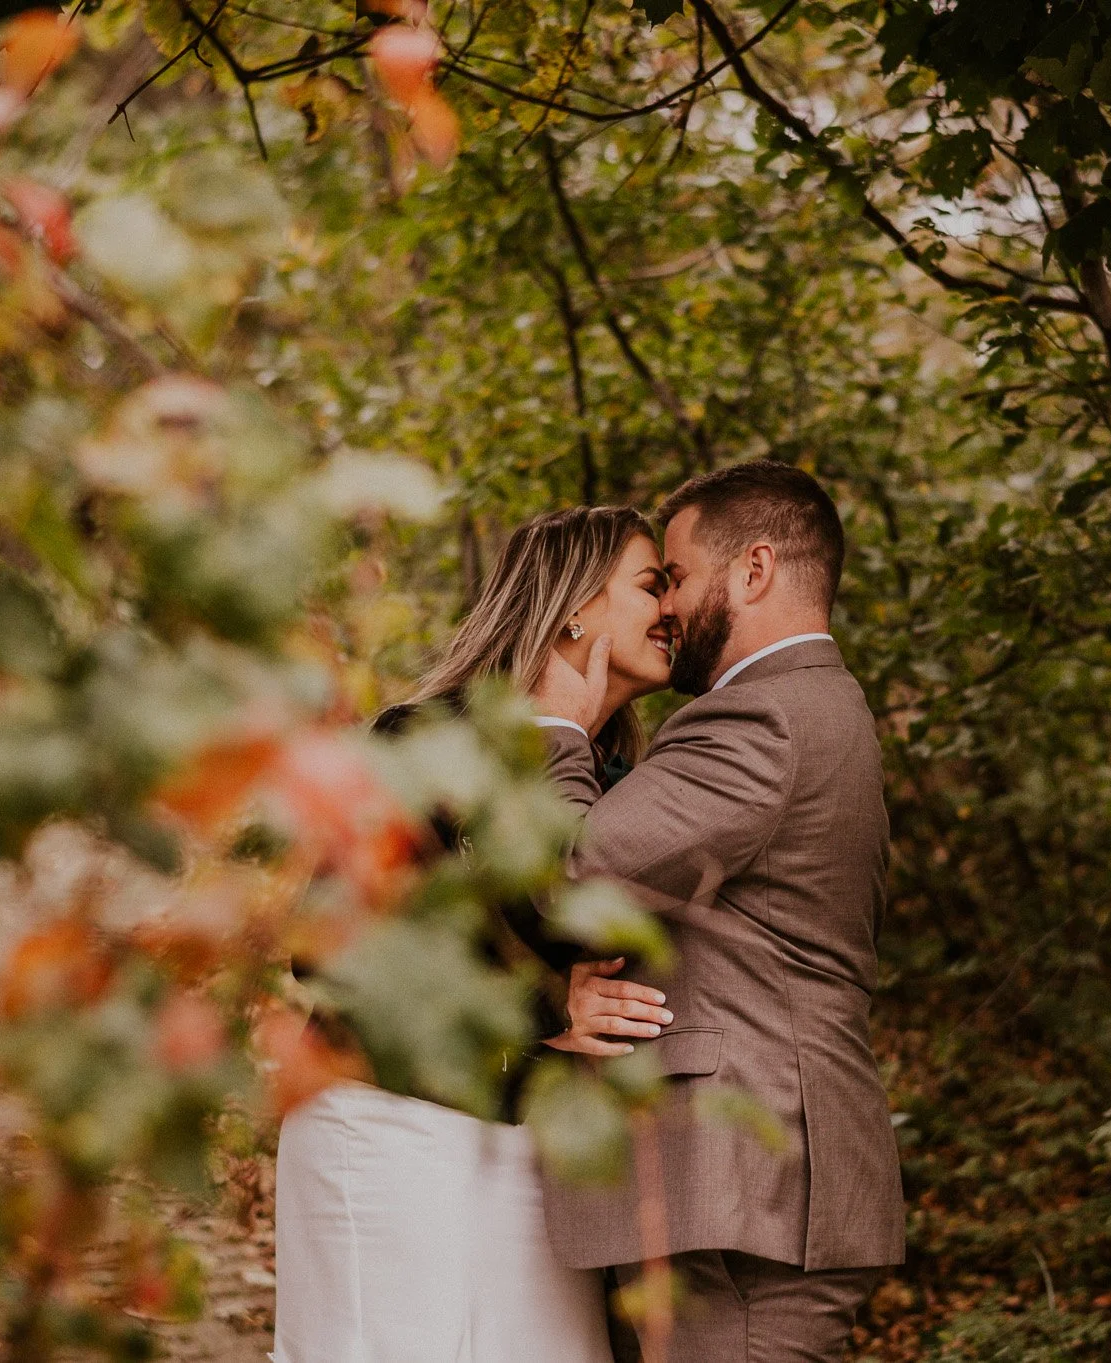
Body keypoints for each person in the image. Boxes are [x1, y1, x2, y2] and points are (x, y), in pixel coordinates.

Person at [272, 506, 679, 1363]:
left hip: (535, 1156)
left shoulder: (615, 784)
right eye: (653, 583)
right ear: (575, 606)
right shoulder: (427, 737)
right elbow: (324, 949)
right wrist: (542, 1004)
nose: (675, 604)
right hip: (390, 1129)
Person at [533, 461, 906, 1362]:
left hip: (748, 1198)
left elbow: (580, 872)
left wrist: (556, 730)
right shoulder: (822, 709)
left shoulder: (761, 718)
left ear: (754, 571)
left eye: (679, 575)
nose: (667, 606)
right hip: (757, 1194)